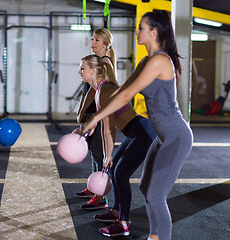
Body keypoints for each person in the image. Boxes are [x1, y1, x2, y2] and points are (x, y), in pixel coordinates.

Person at [81, 10, 193, 240]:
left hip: (176, 137)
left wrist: (94, 118)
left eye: (141, 28)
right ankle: (154, 235)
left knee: (155, 194)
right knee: (145, 188)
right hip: (162, 138)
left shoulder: (160, 61)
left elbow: (124, 97)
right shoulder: (145, 61)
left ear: (153, 33)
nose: (136, 31)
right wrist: (96, 115)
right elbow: (121, 91)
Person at [79, 54, 156, 237]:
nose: (79, 71)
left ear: (94, 71)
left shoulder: (104, 91)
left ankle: (123, 224)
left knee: (120, 173)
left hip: (142, 133)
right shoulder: (99, 91)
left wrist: (108, 155)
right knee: (115, 171)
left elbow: (108, 129)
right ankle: (115, 211)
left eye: (83, 68)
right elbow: (101, 125)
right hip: (134, 132)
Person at [76, 28, 116, 210]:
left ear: (106, 44)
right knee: (93, 149)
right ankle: (94, 187)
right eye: (92, 39)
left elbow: (94, 91)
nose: (93, 43)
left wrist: (83, 110)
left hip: (98, 113)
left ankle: (100, 196)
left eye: (97, 40)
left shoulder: (104, 62)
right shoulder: (99, 61)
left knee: (99, 151)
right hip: (93, 112)